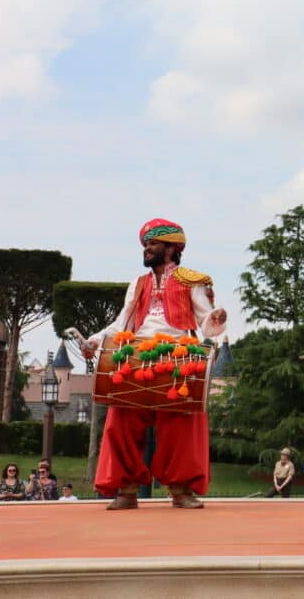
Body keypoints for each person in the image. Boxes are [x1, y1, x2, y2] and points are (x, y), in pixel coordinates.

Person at [81, 218, 227, 510]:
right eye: (146, 244)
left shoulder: (191, 280)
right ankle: (126, 490)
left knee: (180, 425)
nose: (147, 249)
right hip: (138, 352)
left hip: (177, 354)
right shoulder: (138, 283)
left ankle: (181, 490)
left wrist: (216, 317)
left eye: (153, 244)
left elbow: (205, 320)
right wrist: (95, 341)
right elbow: (121, 321)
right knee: (121, 419)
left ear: (172, 248)